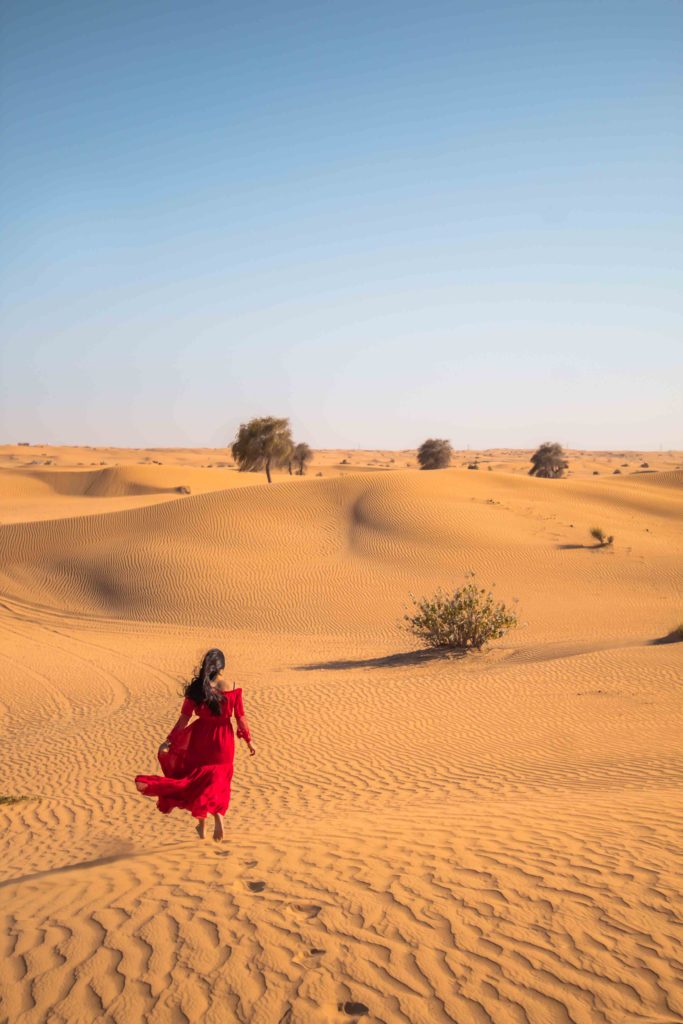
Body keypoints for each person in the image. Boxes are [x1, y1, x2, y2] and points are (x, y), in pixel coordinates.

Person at [135, 648, 255, 841]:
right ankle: (216, 818)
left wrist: (170, 740)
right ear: (222, 666)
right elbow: (240, 717)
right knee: (219, 779)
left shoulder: (198, 689)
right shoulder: (233, 687)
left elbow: (184, 718)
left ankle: (203, 824)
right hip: (224, 739)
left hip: (201, 737)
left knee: (197, 779)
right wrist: (249, 741)